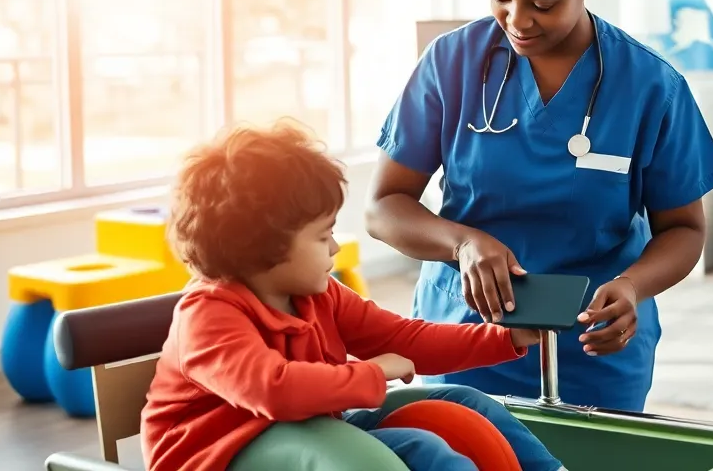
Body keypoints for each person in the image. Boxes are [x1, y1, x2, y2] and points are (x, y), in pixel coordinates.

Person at [367, 0, 713, 412]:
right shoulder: (452, 63)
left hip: (593, 344)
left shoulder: (651, 86)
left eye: (542, 3)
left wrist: (632, 286)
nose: (518, 21)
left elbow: (683, 230)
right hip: (464, 337)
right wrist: (462, 243)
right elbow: (382, 207)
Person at [140, 122, 568, 471]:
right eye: (322, 235)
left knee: (457, 413)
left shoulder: (318, 294)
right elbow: (274, 390)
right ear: (260, 247)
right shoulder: (208, 314)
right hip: (219, 454)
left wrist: (504, 338)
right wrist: (374, 373)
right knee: (366, 459)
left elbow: (405, 339)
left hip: (311, 427)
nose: (335, 248)